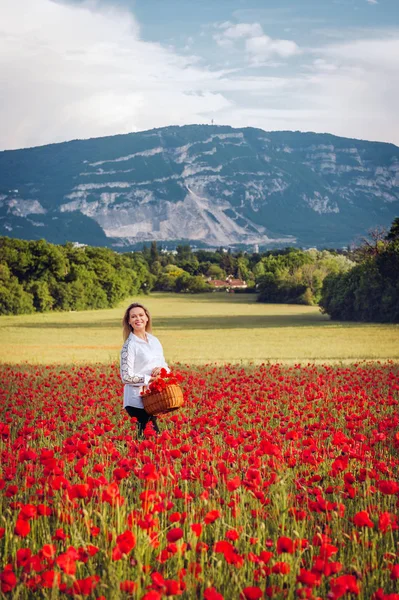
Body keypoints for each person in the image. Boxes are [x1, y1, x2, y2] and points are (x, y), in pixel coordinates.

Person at [120, 302, 168, 437]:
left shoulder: (154, 340)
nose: (138, 319)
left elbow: (164, 364)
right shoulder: (129, 346)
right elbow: (126, 377)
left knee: (147, 438)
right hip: (136, 400)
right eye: (133, 317)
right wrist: (149, 379)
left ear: (147, 318)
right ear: (129, 321)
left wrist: (162, 370)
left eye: (141, 315)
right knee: (152, 436)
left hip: (153, 399)